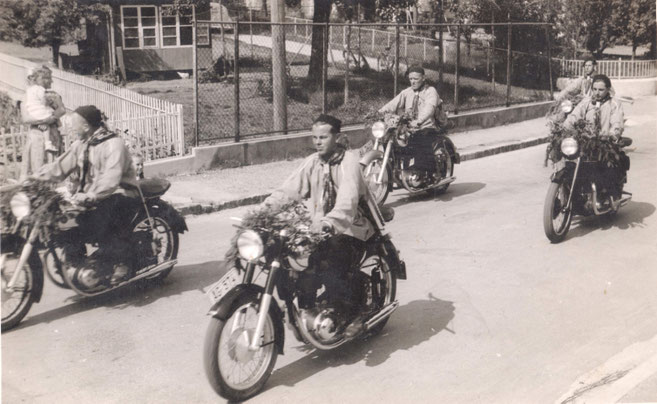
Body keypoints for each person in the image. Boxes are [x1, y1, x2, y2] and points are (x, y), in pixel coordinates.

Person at [261, 114, 375, 336]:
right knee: (288, 258)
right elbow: (289, 190)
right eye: (314, 137)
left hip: (350, 228)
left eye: (323, 137)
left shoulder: (348, 161)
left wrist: (329, 222)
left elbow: (348, 199)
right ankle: (306, 306)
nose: (317, 142)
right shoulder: (314, 161)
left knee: (333, 259)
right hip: (319, 228)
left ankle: (352, 312)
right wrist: (262, 212)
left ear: (338, 137)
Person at [34, 105, 139, 285]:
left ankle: (122, 264)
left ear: (86, 126)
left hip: (120, 192)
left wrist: (92, 195)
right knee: (65, 222)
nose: (71, 129)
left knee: (104, 216)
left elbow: (111, 177)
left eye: (74, 125)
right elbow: (59, 167)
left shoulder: (114, 144)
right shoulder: (81, 144)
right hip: (91, 195)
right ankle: (76, 260)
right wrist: (35, 178)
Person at [563, 74, 626, 201]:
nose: (597, 93)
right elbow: (574, 116)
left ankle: (605, 195)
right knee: (570, 163)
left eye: (601, 90)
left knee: (604, 170)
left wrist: (613, 133)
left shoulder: (614, 104)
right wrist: (564, 127)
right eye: (595, 89)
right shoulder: (586, 102)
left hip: (603, 143)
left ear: (608, 89)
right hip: (585, 142)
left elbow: (617, 122)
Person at [378, 65, 442, 174]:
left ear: (423, 78)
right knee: (388, 138)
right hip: (409, 128)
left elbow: (429, 108)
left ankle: (425, 173)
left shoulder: (430, 91)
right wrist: (380, 112)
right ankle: (395, 169)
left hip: (426, 126)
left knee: (420, 141)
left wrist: (419, 121)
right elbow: (393, 104)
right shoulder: (407, 92)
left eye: (416, 79)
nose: (413, 82)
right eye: (411, 79)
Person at [20, 66, 66, 180]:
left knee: (54, 164)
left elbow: (62, 110)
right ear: (38, 79)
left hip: (52, 134)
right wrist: (44, 121)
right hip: (36, 135)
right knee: (37, 163)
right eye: (46, 78)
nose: (50, 81)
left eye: (50, 78)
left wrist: (51, 119)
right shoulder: (27, 95)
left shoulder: (54, 95)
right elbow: (26, 118)